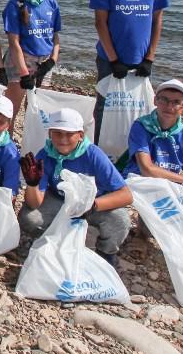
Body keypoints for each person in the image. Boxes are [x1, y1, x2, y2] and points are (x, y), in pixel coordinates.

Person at [19, 107, 132, 266]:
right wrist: (32, 184)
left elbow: (126, 195)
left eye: (69, 134)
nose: (63, 139)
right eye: (57, 133)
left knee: (120, 220)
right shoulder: (45, 155)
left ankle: (106, 253)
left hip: (92, 205)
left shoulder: (93, 155)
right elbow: (34, 203)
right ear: (50, 134)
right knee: (29, 218)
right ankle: (53, 242)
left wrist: (93, 206)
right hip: (59, 201)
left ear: (80, 135)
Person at [120, 79, 183, 191]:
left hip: (167, 187)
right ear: (155, 100)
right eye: (164, 100)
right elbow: (147, 169)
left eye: (176, 102)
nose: (169, 106)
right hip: (137, 182)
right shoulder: (141, 126)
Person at [3, 0, 62, 115]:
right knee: (10, 110)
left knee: (37, 110)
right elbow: (14, 43)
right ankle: (6, 140)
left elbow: (55, 37)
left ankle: (31, 140)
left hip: (45, 62)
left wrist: (52, 61)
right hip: (21, 60)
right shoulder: (14, 5)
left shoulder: (52, 4)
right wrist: (24, 73)